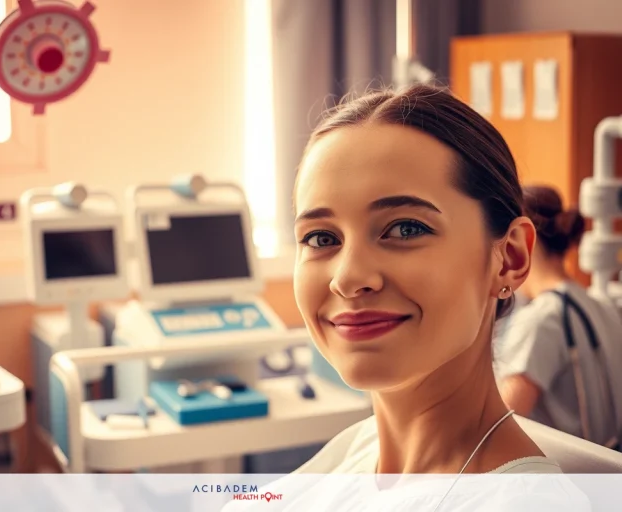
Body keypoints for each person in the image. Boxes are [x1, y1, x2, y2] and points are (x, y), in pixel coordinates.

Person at [224, 84, 591, 512]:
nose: (348, 278)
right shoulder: (361, 451)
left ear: (508, 258)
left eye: (405, 229)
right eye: (321, 237)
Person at [496, 185, 622, 448]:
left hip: (562, 480)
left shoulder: (542, 320)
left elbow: (497, 428)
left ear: (519, 239)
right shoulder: (602, 307)